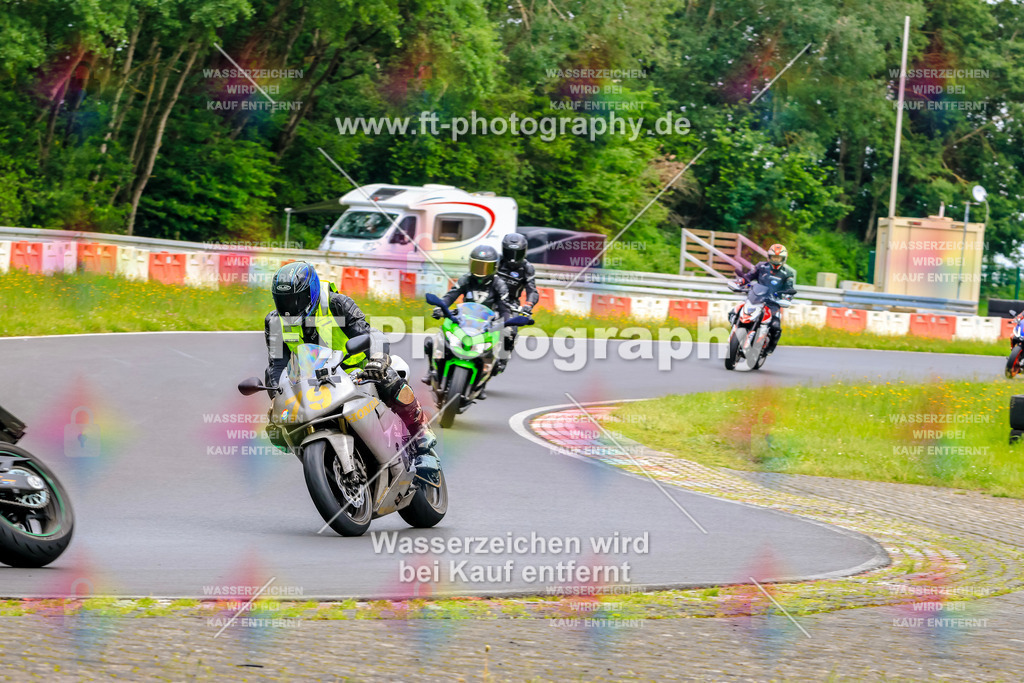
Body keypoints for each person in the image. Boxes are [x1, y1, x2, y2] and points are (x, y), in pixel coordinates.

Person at [264, 261, 438, 476]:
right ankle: (326, 467)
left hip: (357, 372)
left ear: (312, 291)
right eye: (283, 300)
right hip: (313, 382)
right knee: (279, 427)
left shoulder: (337, 303)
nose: (290, 306)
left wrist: (377, 360)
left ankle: (420, 436)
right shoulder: (274, 321)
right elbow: (277, 364)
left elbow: (370, 334)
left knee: (390, 377)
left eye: (295, 298)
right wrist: (276, 396)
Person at [421, 245, 511, 393]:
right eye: (477, 265)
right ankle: (432, 371)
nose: (481, 270)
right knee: (433, 341)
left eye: (485, 267)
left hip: (486, 324)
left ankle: (481, 382)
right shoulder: (465, 279)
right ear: (470, 264)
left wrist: (506, 322)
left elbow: (504, 308)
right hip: (464, 319)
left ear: (494, 267)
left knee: (495, 350)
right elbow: (451, 295)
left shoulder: (499, 284)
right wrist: (440, 308)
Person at [730, 243, 797, 355]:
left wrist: (787, 297)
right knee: (734, 312)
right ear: (769, 257)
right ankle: (736, 334)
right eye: (773, 257)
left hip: (773, 304)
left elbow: (789, 288)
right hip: (756, 298)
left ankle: (769, 348)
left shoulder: (787, 274)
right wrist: (741, 282)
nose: (776, 260)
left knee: (776, 326)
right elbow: (749, 277)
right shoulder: (761, 267)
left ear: (784, 259)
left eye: (778, 258)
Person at [493, 233, 538, 374]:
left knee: (511, 331)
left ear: (524, 252)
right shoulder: (495, 261)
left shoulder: (527, 268)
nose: (513, 257)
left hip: (510, 303)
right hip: (490, 298)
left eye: (517, 253)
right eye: (509, 252)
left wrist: (528, 305)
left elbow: (532, 290)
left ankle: (503, 358)